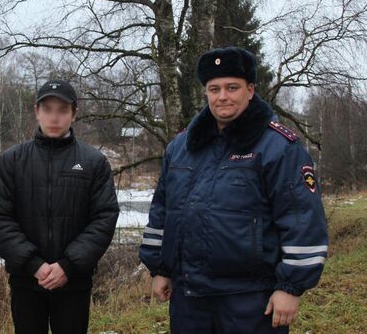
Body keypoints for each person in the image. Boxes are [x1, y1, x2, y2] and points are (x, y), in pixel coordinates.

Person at [139, 47, 328, 333]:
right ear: (206, 92)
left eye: (232, 87)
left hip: (251, 299)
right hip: (189, 299)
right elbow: (163, 212)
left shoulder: (279, 147)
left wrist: (291, 287)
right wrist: (160, 269)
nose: (222, 96)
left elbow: (302, 218)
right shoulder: (181, 147)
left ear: (250, 90)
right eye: (214, 88)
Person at [0, 80, 120, 334]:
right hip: (26, 281)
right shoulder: (11, 161)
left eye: (62, 110)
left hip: (73, 281)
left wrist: (68, 265)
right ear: (36, 111)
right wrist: (33, 264)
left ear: (74, 113)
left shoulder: (93, 162)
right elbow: (0, 218)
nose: (54, 117)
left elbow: (104, 217)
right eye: (47, 109)